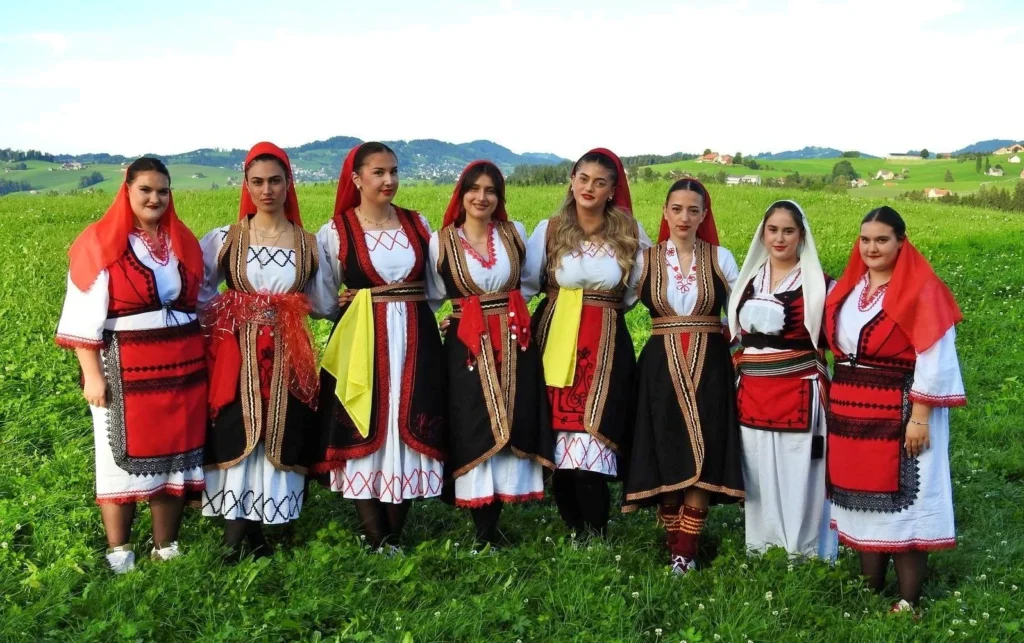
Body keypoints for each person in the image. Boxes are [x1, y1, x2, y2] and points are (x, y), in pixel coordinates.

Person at [55, 157, 207, 572]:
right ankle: (119, 549)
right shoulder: (101, 241)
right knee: (116, 454)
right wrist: (92, 375)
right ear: (127, 191)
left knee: (175, 455)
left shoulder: (182, 241)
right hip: (124, 368)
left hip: (184, 367)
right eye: (146, 190)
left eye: (163, 191)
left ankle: (166, 544)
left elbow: (201, 301)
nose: (155, 198)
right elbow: (82, 312)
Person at [825, 206, 965, 613]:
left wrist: (919, 417)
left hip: (903, 411)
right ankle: (870, 591)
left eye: (882, 239)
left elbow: (934, 355)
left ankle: (908, 600)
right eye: (865, 239)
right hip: (851, 413)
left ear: (901, 242)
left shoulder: (922, 289)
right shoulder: (850, 288)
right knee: (861, 501)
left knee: (908, 504)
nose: (872, 248)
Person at [314, 142, 447, 552]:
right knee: (365, 422)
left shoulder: (417, 224)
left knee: (405, 425)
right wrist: (355, 304)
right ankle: (378, 537)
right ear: (357, 179)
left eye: (394, 171)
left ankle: (394, 535)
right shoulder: (336, 231)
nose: (389, 180)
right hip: (362, 342)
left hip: (415, 340)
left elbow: (435, 287)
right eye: (378, 172)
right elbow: (322, 297)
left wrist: (403, 308)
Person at [199, 142, 329, 560]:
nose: (266, 190)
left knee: (281, 426)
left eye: (275, 181)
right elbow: (200, 290)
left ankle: (265, 528)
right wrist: (232, 312)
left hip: (288, 346)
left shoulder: (308, 244)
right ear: (246, 184)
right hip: (238, 347)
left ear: (289, 183)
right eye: (257, 182)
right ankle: (235, 534)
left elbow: (323, 302)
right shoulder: (226, 238)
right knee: (237, 424)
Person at [522, 148, 651, 538]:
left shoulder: (629, 232)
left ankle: (596, 533)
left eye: (600, 182)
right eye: (583, 178)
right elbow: (525, 284)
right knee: (561, 442)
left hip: (605, 345)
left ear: (612, 189)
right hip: (555, 339)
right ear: (572, 181)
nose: (589, 188)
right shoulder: (549, 230)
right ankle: (575, 530)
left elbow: (639, 288)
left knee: (591, 440)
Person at [427, 161, 553, 546]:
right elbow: (433, 294)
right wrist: (458, 315)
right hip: (467, 345)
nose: (482, 197)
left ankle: (497, 515)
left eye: (491, 190)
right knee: (473, 421)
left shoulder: (514, 233)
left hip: (514, 341)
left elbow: (529, 283)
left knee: (514, 417)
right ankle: (482, 527)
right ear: (461, 193)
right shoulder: (441, 241)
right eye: (474, 189)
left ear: (499, 196)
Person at [622, 178, 743, 574]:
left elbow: (742, 313)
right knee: (667, 443)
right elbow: (616, 302)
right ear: (665, 211)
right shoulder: (646, 260)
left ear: (704, 215)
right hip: (660, 366)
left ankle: (685, 551)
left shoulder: (721, 258)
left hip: (710, 364)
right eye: (676, 209)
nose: (684, 217)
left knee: (704, 448)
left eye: (693, 210)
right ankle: (675, 541)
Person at [727, 200, 837, 560]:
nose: (779, 238)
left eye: (788, 231)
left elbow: (836, 337)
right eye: (772, 230)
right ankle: (761, 546)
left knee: (798, 469)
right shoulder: (748, 282)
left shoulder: (819, 286)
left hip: (799, 388)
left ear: (801, 235)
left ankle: (802, 551)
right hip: (753, 390)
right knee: (757, 467)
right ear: (763, 233)